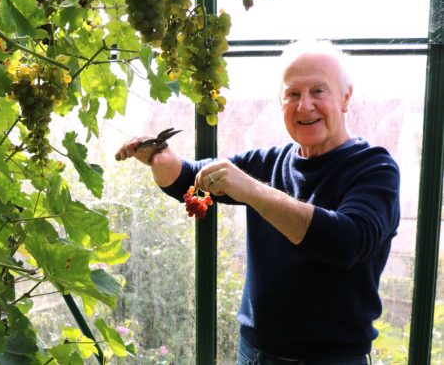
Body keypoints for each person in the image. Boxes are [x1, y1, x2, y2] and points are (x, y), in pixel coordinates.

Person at [115, 40, 400, 364]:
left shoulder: (375, 168)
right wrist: (162, 159)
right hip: (254, 354)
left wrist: (251, 189)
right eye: (292, 94)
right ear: (281, 102)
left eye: (318, 91)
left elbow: (347, 241)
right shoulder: (269, 161)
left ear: (345, 98)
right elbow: (193, 178)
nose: (304, 105)